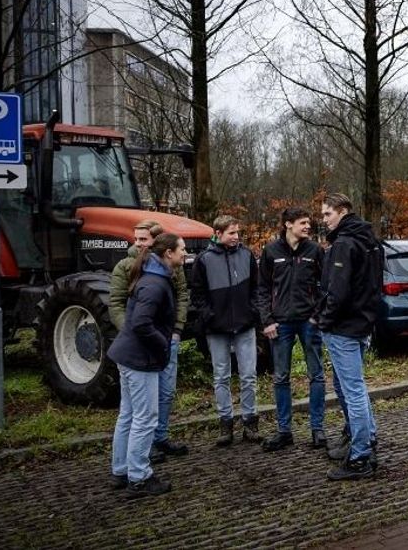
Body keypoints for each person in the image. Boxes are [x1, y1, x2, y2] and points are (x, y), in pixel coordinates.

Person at [107, 232, 185, 499]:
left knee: (128, 415)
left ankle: (121, 470)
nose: (185, 253)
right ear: (168, 254)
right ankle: (139, 477)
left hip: (129, 356)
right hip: (140, 359)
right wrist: (163, 343)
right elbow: (141, 323)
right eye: (182, 249)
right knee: (145, 417)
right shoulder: (154, 284)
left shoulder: (152, 276)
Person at [315, 193, 381, 480]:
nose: (324, 220)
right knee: (353, 388)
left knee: (352, 391)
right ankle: (366, 439)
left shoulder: (344, 244)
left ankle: (360, 456)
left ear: (342, 211)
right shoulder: (369, 240)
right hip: (362, 324)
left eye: (327, 214)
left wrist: (324, 320)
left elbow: (337, 291)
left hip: (344, 328)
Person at [256, 207, 328, 452]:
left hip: (309, 322)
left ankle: (317, 429)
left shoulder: (315, 251)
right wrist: (267, 320)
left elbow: (324, 287)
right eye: (303, 222)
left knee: (316, 375)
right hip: (280, 323)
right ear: (288, 224)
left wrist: (317, 317)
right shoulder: (271, 251)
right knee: (281, 377)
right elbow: (262, 289)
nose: (308, 226)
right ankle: (284, 431)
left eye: (309, 222)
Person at [190, 215, 261, 447]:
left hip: (244, 324)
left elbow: (256, 288)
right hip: (217, 327)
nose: (236, 237)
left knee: (248, 375)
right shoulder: (204, 260)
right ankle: (226, 423)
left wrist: (252, 311)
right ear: (218, 233)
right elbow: (197, 294)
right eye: (231, 233)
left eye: (237, 232)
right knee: (221, 376)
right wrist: (209, 315)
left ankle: (250, 422)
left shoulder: (246, 255)